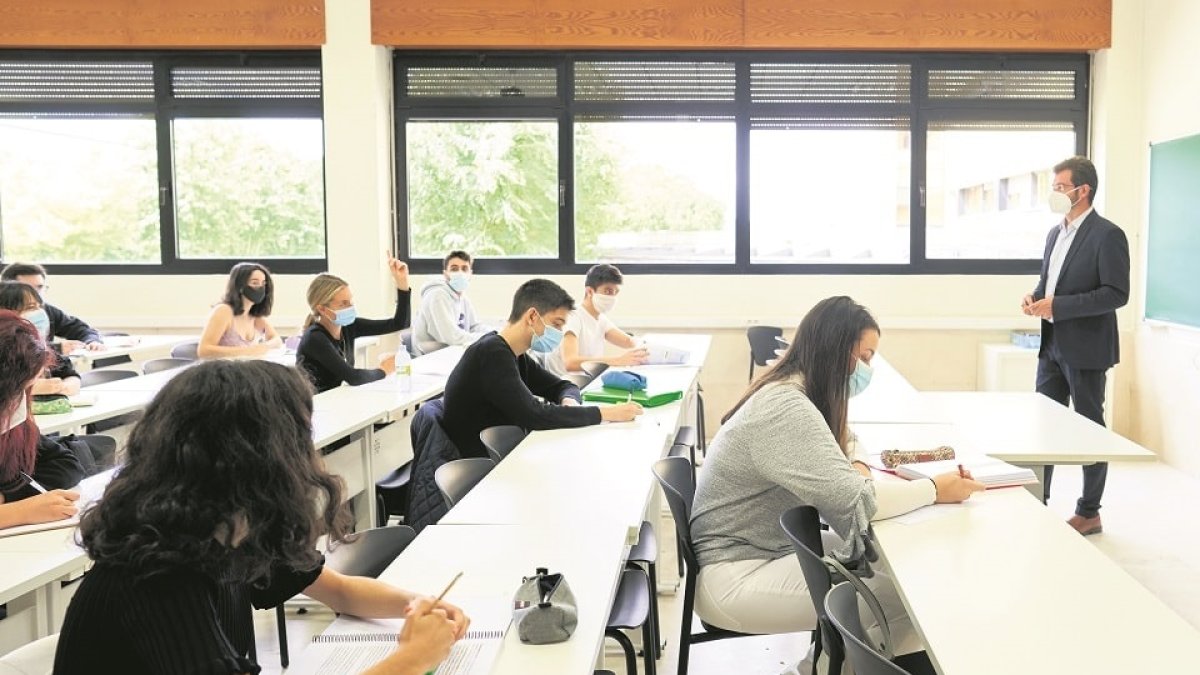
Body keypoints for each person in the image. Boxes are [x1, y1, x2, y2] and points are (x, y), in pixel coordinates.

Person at [53, 360, 469, 675]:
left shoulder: (229, 529)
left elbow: (338, 591)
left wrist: (418, 606)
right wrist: (414, 658)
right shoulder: (156, 575)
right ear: (253, 457)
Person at [689, 296, 983, 670]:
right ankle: (831, 666)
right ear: (835, 349)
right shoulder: (785, 408)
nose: (866, 369)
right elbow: (859, 500)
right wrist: (935, 490)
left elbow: (845, 439)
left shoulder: (792, 390)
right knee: (903, 598)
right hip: (736, 574)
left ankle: (823, 664)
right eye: (864, 357)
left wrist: (856, 462)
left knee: (892, 571)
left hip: (762, 550)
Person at [1022, 155, 1130, 536]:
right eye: (1053, 187)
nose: (1055, 194)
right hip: (1051, 346)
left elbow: (1116, 294)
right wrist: (1036, 297)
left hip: (1086, 349)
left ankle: (1089, 511)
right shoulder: (1055, 232)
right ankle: (1040, 500)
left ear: (1083, 191)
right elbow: (1049, 281)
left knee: (1089, 429)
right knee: (1044, 426)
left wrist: (1060, 306)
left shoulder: (1107, 234)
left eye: (1061, 187)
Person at [441, 279, 643, 459]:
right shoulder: (492, 353)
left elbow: (561, 385)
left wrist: (569, 400)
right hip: (486, 466)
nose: (560, 333)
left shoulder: (515, 354)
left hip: (508, 453)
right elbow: (534, 414)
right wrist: (605, 413)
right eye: (557, 324)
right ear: (532, 317)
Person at [0, 310, 85, 530]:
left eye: (27, 390)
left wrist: (8, 497)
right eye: (19, 390)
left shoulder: (14, 427)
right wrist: (18, 512)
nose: (19, 403)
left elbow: (66, 463)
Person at [296, 256, 412, 393]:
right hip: (314, 407)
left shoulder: (349, 326)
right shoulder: (315, 338)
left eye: (350, 301)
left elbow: (400, 323)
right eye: (343, 303)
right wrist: (384, 369)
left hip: (335, 399)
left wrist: (402, 283)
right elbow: (353, 377)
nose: (351, 307)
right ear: (322, 309)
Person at [545, 264, 648, 377]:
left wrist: (648, 346)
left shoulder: (600, 319)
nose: (612, 297)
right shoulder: (573, 317)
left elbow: (628, 341)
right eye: (608, 291)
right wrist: (618, 360)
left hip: (586, 381)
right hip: (565, 385)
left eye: (615, 292)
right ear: (589, 291)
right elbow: (570, 362)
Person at [1, 262, 106, 354]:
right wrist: (55, 348)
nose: (36, 293)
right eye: (28, 288)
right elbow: (9, 351)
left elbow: (79, 328)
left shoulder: (47, 311)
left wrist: (92, 341)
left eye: (40, 287)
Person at [0, 282, 81, 396]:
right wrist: (30, 389)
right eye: (31, 307)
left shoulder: (40, 348)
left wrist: (64, 386)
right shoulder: (5, 351)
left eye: (39, 307)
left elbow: (70, 374)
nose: (40, 313)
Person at [197, 262, 284, 359]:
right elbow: (204, 350)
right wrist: (250, 351)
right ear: (240, 286)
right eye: (255, 283)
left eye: (263, 284)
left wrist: (264, 347)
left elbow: (276, 340)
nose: (260, 288)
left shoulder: (254, 316)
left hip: (247, 369)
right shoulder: (223, 311)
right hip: (223, 370)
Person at [411, 250, 491, 356]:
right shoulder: (437, 296)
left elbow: (474, 326)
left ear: (470, 273)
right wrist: (486, 338)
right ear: (445, 274)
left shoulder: (463, 299)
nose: (460, 273)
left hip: (451, 353)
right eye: (454, 269)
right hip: (429, 358)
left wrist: (494, 333)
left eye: (464, 269)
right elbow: (451, 337)